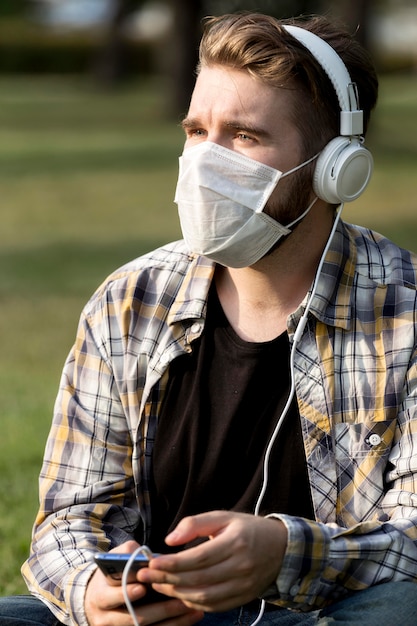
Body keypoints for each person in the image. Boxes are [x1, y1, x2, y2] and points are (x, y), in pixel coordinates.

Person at [1, 10, 417, 626]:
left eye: (245, 137)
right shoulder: (129, 300)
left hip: (318, 614)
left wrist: (283, 553)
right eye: (197, 131)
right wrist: (93, 591)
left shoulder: (405, 313)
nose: (204, 163)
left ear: (337, 168)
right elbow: (71, 516)